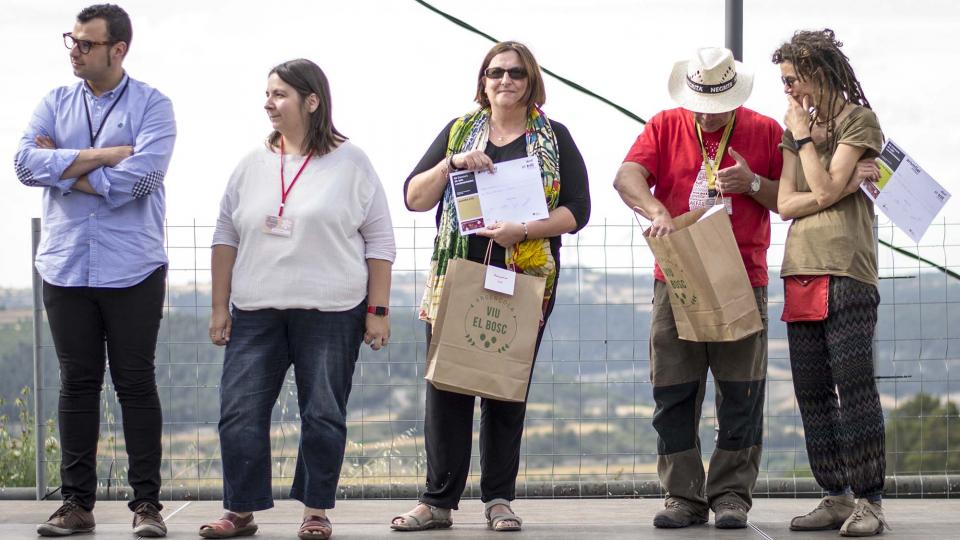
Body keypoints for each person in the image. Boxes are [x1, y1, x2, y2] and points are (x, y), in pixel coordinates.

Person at [390, 41, 590, 532]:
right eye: (495, 72)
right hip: (457, 276)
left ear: (531, 81)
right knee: (446, 388)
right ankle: (437, 502)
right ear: (483, 81)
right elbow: (414, 197)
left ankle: (499, 499)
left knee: (505, 390)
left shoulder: (555, 138)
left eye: (516, 73)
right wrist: (451, 164)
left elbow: (577, 211)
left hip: (523, 282)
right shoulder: (459, 132)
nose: (505, 80)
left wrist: (523, 231)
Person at [197, 58, 395, 540]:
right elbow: (225, 235)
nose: (269, 103)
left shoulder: (353, 162)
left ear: (312, 101)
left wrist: (378, 311)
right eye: (267, 93)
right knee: (239, 410)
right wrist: (220, 305)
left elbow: (380, 241)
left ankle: (315, 511)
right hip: (255, 310)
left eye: (280, 94)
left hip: (332, 312)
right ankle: (240, 511)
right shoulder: (250, 164)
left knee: (322, 412)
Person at [14, 4, 175, 537]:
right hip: (64, 266)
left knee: (135, 383)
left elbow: (141, 181)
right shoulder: (53, 101)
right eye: (72, 41)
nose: (74, 51)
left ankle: (146, 508)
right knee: (76, 385)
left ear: (118, 49)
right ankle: (76, 505)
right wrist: (103, 155)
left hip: (133, 268)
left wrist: (61, 167)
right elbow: (21, 165)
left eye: (85, 43)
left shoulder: (154, 105)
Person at [613, 47, 782, 529]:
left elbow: (787, 199)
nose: (708, 115)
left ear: (736, 97)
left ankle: (731, 495)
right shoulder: (664, 125)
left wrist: (752, 182)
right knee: (673, 389)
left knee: (741, 391)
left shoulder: (766, 129)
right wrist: (657, 211)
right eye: (700, 105)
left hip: (743, 275)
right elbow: (626, 176)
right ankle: (683, 496)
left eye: (718, 106)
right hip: (678, 274)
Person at [773, 29, 890, 537]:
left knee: (854, 384)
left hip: (847, 266)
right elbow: (786, 204)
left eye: (792, 80)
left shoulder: (858, 121)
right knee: (812, 388)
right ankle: (836, 494)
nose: (788, 92)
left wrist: (806, 146)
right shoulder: (797, 126)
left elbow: (815, 188)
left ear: (817, 73)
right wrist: (828, 180)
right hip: (801, 265)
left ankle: (871, 501)